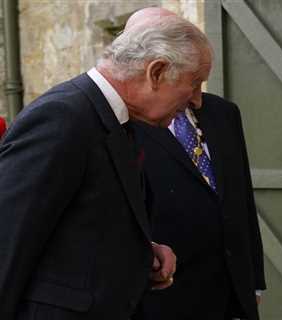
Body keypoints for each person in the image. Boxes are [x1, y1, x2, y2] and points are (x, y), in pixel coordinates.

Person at [0, 6, 216, 319]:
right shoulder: (62, 117)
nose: (196, 99)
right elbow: (8, 240)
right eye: (194, 82)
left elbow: (82, 223)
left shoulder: (112, 118)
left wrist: (142, 252)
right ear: (156, 72)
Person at [128, 10, 266, 320]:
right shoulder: (126, 125)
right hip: (164, 301)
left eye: (200, 81)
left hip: (233, 296)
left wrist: (254, 282)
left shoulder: (224, 114)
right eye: (192, 81)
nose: (197, 97)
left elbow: (240, 199)